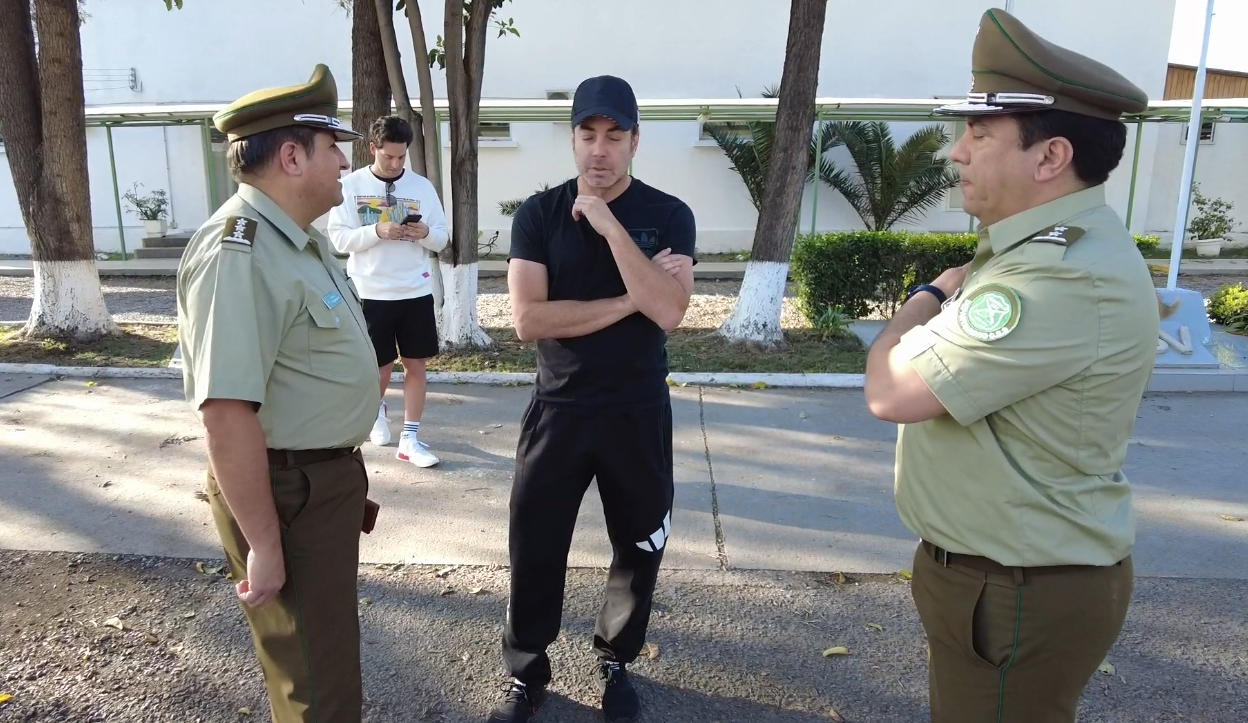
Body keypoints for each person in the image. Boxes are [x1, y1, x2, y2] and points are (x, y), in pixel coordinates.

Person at [862, 9, 1160, 723]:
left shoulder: (1057, 276)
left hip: (1014, 587)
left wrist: (921, 300)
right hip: (1002, 578)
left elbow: (891, 390)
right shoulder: (1035, 252)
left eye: (979, 133)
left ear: (1050, 157)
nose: (956, 153)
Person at [488, 75, 696, 723]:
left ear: (636, 141)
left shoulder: (669, 214)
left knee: (639, 546)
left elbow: (669, 313)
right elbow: (529, 320)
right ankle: (528, 671)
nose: (599, 150)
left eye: (614, 136)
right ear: (573, 138)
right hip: (559, 410)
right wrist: (635, 294)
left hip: (637, 412)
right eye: (587, 134)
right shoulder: (538, 214)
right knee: (535, 546)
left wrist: (609, 228)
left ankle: (615, 658)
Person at [176, 64, 380, 723]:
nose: (346, 160)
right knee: (315, 686)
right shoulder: (241, 251)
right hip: (289, 495)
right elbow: (227, 414)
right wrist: (264, 540)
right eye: (332, 147)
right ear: (292, 155)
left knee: (324, 665)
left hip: (318, 488)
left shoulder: (299, 244)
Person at [328, 114, 449, 468]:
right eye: (388, 157)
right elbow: (338, 239)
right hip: (370, 291)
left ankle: (410, 438)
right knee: (379, 369)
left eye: (401, 157)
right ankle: (376, 414)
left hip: (414, 290)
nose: (396, 164)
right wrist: (378, 232)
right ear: (372, 148)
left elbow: (442, 239)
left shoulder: (422, 187)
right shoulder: (350, 186)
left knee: (416, 365)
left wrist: (423, 231)